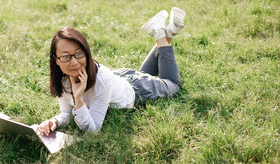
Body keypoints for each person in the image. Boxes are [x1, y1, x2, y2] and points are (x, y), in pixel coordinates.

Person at [37, 7, 186, 136]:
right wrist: (54, 121)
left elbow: (93, 131)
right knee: (146, 75)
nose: (74, 62)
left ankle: (161, 34)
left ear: (87, 53)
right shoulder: (63, 78)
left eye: (79, 54)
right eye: (66, 56)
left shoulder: (101, 81)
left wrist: (79, 99)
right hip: (120, 80)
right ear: (56, 60)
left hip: (138, 91)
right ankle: (170, 32)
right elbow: (67, 113)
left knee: (174, 85)